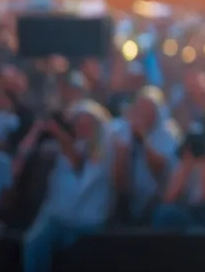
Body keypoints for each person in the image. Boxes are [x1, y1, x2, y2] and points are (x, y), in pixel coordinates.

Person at [21, 100, 115, 272]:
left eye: (88, 124)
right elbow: (23, 153)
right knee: (34, 241)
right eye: (79, 123)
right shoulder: (58, 148)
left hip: (89, 222)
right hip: (56, 219)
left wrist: (61, 136)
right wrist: (37, 130)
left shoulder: (107, 152)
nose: (83, 127)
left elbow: (80, 168)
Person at [111, 86, 181, 225]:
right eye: (140, 108)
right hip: (128, 200)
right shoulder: (121, 128)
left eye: (148, 109)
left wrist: (142, 136)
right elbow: (117, 173)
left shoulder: (168, 132)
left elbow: (158, 168)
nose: (143, 113)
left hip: (155, 201)